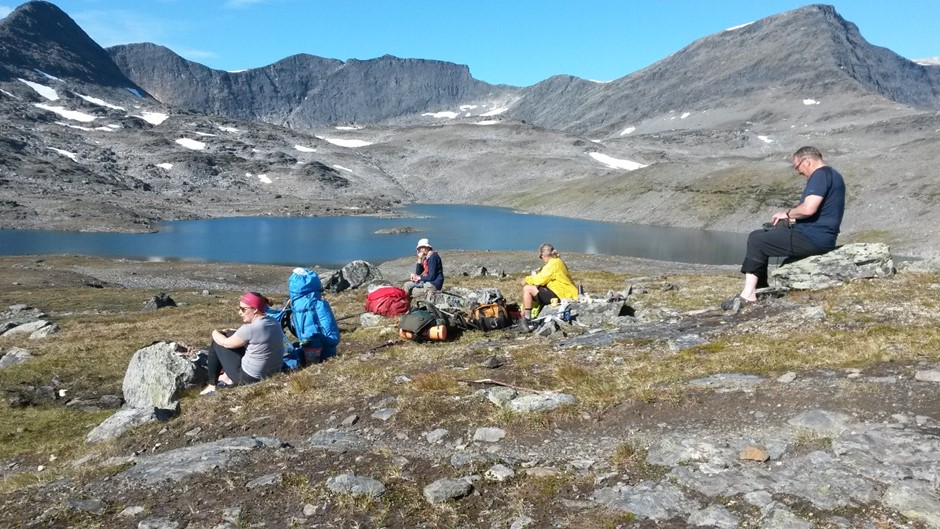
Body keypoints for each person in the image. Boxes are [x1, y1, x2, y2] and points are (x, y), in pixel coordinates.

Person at [723, 146, 845, 309]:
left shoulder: (820, 175)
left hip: (813, 238)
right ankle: (760, 289)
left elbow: (809, 209)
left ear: (807, 161)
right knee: (765, 233)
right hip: (821, 236)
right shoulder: (833, 175)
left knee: (757, 239)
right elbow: (822, 215)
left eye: (797, 167)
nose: (798, 172)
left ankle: (748, 295)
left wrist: (787, 213)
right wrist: (790, 221)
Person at [199, 292, 285, 396]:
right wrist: (229, 332)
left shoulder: (250, 328)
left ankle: (212, 385)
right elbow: (245, 336)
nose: (240, 312)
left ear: (255, 309)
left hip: (249, 378)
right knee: (231, 335)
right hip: (272, 372)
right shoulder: (273, 322)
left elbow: (225, 343)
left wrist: (214, 333)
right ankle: (226, 376)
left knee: (217, 343)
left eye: (243, 309)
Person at [517, 243, 578, 331]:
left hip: (561, 294)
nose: (541, 258)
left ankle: (527, 319)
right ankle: (527, 315)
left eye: (541, 256)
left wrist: (527, 279)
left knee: (527, 289)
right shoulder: (557, 261)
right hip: (563, 292)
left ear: (544, 255)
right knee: (534, 288)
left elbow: (540, 279)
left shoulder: (553, 264)